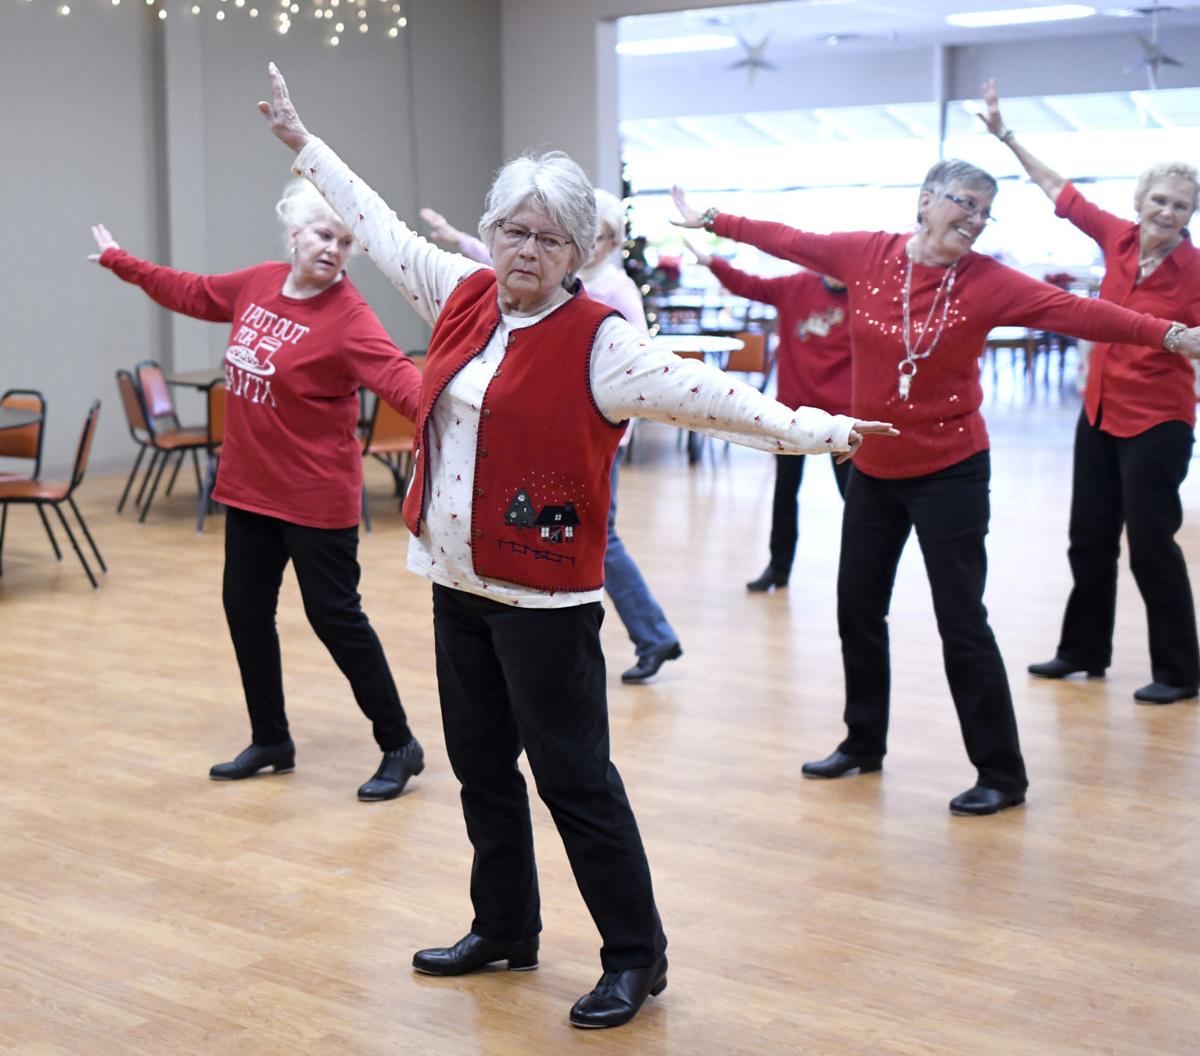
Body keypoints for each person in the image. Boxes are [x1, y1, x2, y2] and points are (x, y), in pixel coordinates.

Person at [258, 63, 895, 1028]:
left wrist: (824, 429)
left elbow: (714, 399)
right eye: (513, 228)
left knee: (575, 781)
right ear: (493, 230)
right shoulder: (463, 293)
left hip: (546, 601)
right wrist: (305, 144)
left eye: (548, 236)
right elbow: (380, 224)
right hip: (457, 578)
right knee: (479, 767)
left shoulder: (602, 339)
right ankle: (504, 927)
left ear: (575, 252)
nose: (524, 248)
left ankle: (637, 955)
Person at [672, 163, 1200, 816]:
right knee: (857, 609)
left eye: (985, 213)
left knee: (962, 623)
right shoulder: (865, 254)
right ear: (925, 202)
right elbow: (791, 240)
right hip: (873, 468)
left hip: (951, 470)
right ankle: (863, 741)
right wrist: (718, 222)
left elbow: (1079, 312)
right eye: (964, 205)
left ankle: (1002, 774)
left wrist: (1171, 334)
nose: (974, 221)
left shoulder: (988, 282)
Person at [90, 179, 426, 803]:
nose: (332, 249)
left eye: (345, 242)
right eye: (323, 235)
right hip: (248, 487)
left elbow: (399, 379)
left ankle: (399, 744)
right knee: (246, 613)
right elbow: (190, 292)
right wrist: (123, 264)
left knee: (335, 620)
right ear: (296, 234)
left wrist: (457, 414)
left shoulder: (349, 318)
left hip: (315, 494)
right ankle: (271, 739)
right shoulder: (259, 284)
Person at [980, 79, 1200, 705]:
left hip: (1158, 421)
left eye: (1181, 205)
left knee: (1152, 542)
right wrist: (1006, 135)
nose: (1167, 211)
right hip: (1099, 411)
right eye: (1159, 199)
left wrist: (1180, 337)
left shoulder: (1197, 269)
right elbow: (1058, 190)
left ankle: (1181, 672)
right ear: (1139, 202)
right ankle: (1083, 651)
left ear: (1191, 214)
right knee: (1088, 537)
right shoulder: (1117, 240)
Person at [424, 193, 683, 684]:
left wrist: (605, 439)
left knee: (597, 540)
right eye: (521, 235)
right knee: (599, 539)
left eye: (555, 238)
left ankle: (653, 635)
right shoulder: (555, 279)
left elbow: (631, 371)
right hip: (552, 439)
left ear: (594, 243)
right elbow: (491, 261)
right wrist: (452, 236)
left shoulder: (617, 293)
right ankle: (654, 635)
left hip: (590, 443)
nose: (532, 250)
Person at [685, 239, 852, 593]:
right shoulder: (795, 286)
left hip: (842, 418)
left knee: (855, 499)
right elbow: (749, 285)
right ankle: (778, 568)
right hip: (792, 414)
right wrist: (712, 261)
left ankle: (861, 574)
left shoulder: (864, 300)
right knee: (785, 492)